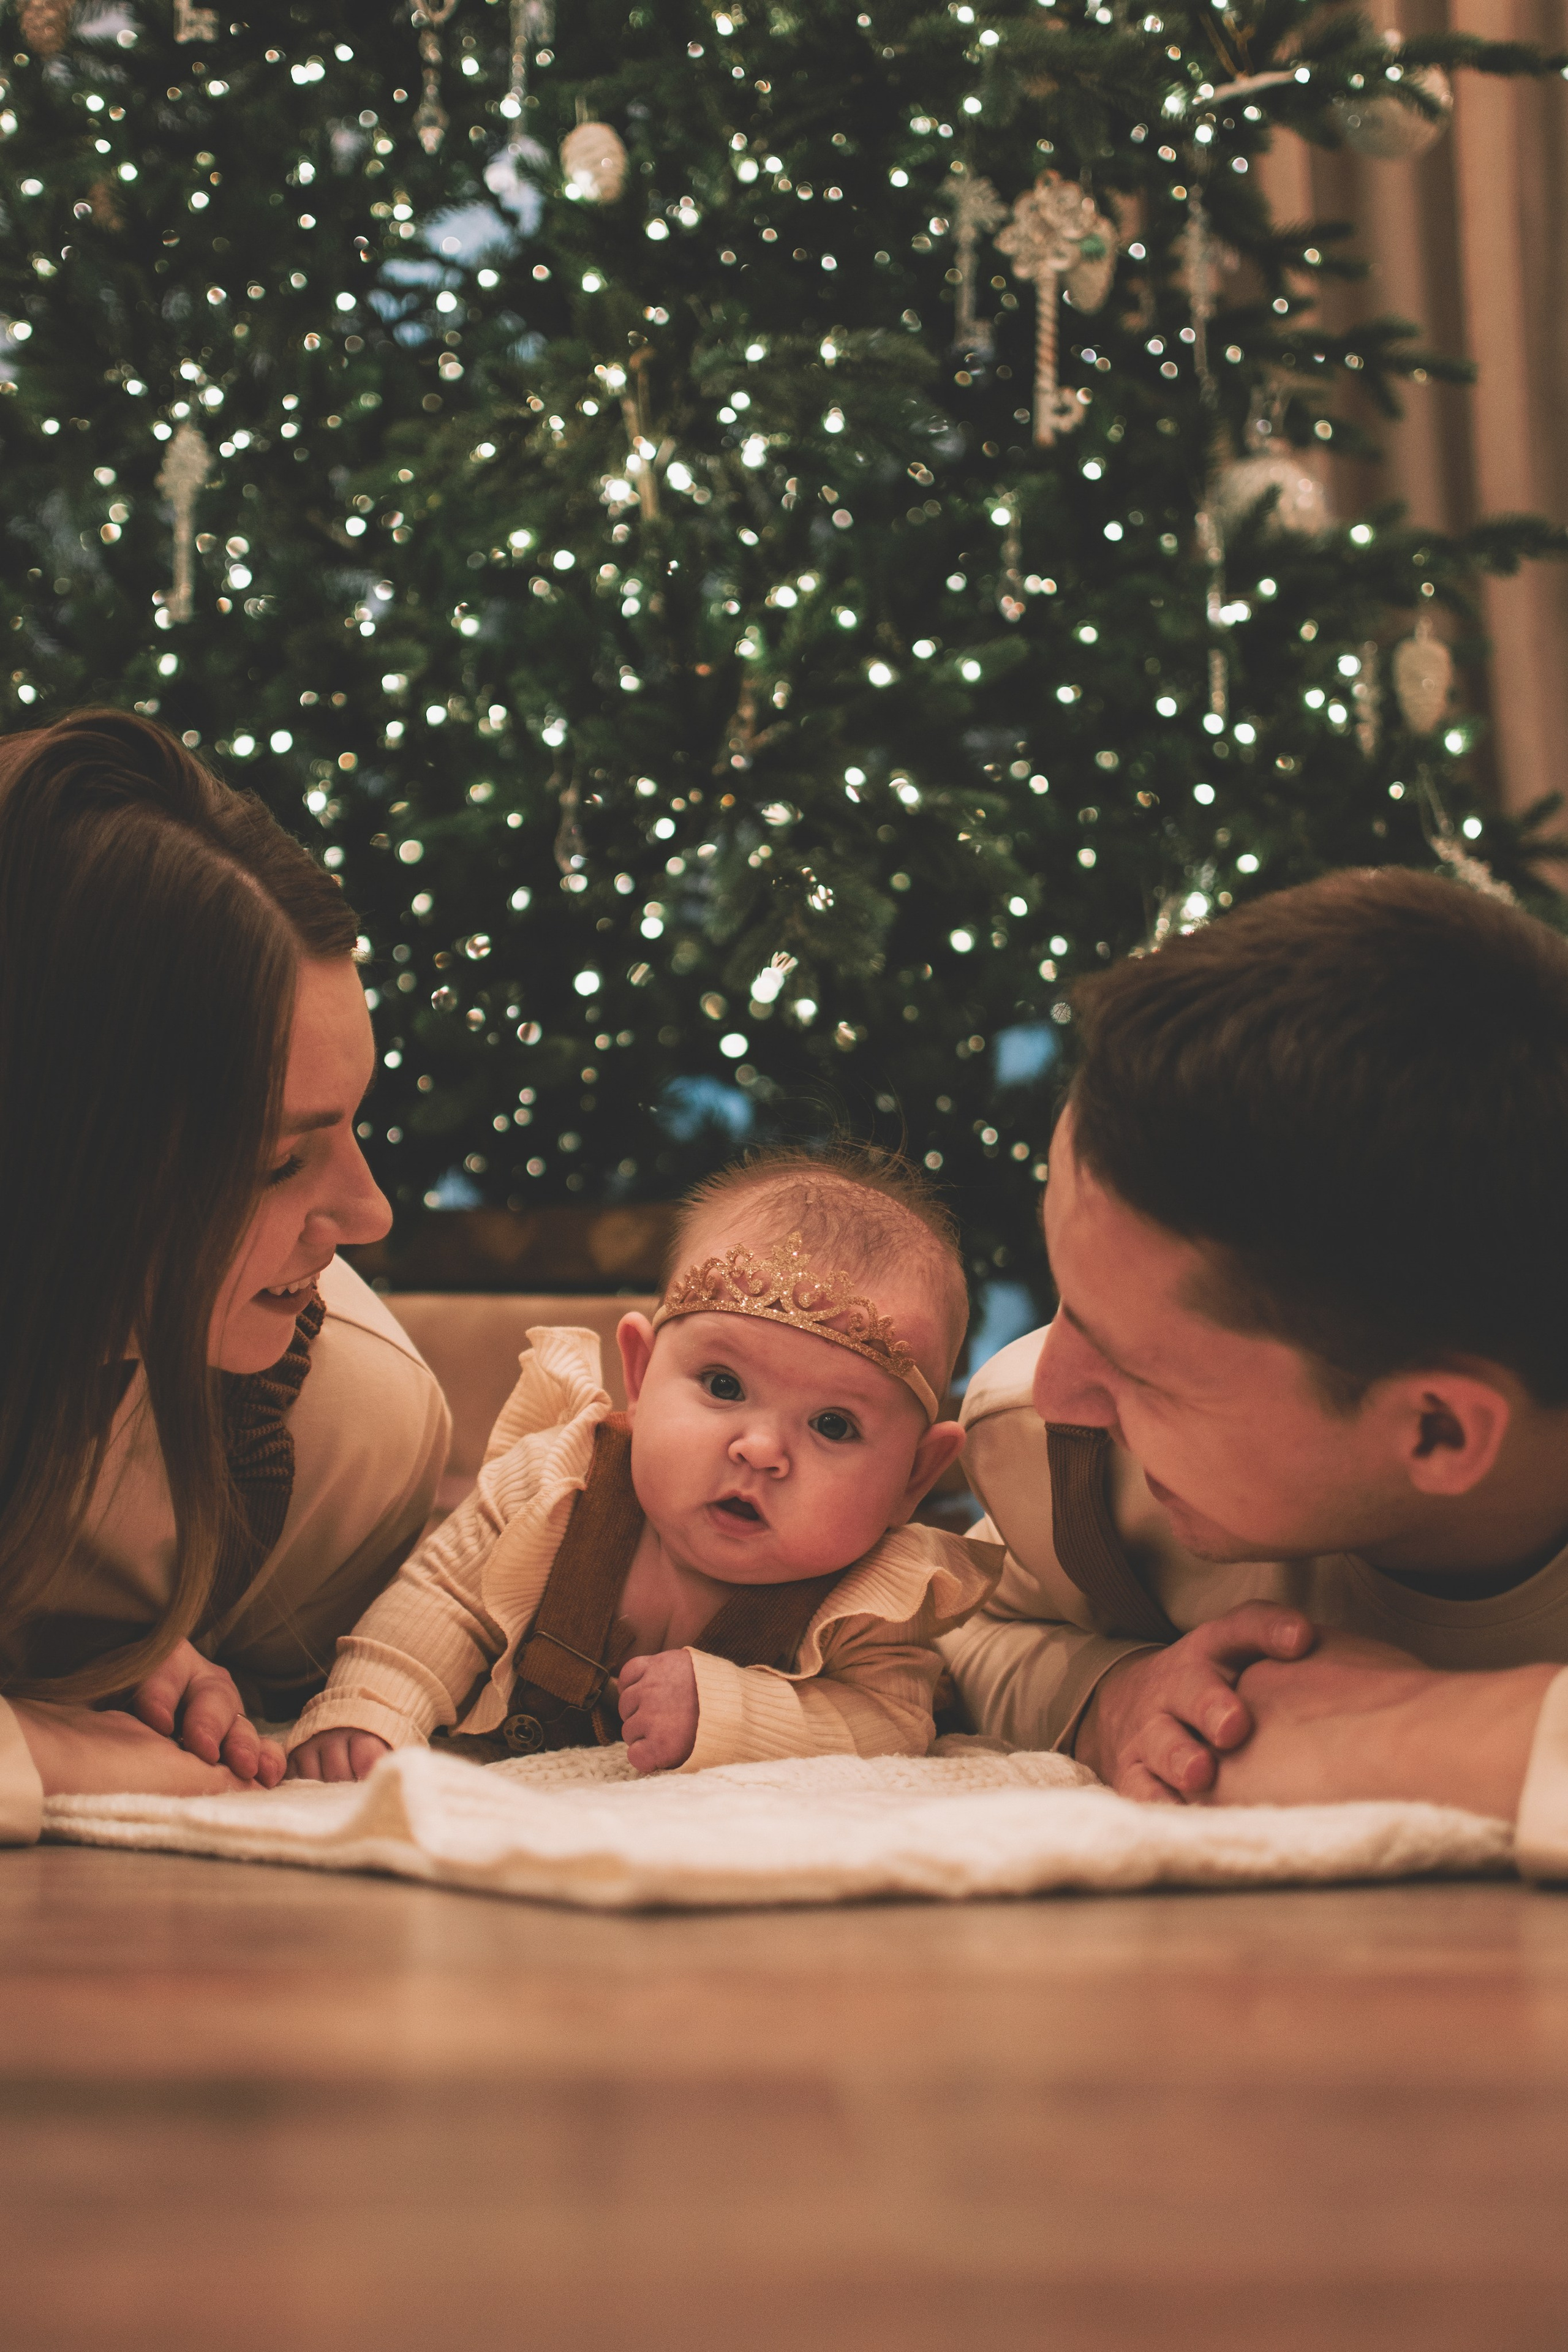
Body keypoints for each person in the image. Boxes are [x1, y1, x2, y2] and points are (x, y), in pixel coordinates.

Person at [942, 869, 1568, 1875]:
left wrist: (1411, 1731)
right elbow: (960, 1634)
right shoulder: (1061, 1460)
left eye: (1143, 1371)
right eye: (1068, 1300)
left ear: (1438, 1431)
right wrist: (1114, 1699)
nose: (1059, 1386)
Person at [0, 710, 450, 1844]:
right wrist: (43, 1742)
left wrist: (107, 1666)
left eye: (352, 1124)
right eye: (275, 1161)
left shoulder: (343, 1433)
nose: (370, 1213)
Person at [287, 1148, 1000, 1779]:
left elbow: (889, 1721)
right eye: (724, 1386)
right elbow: (442, 1602)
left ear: (915, 1474)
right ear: (641, 1371)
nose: (760, 1450)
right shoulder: (559, 1482)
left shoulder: (874, 1596)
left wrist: (730, 1713)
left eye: (833, 1425)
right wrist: (373, 1709)